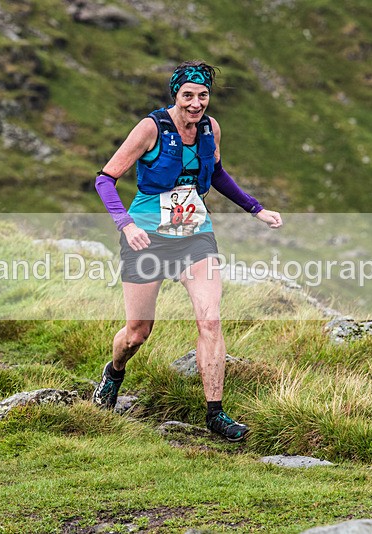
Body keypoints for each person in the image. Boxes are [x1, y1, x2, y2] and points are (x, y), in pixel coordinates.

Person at [92, 60, 282, 441]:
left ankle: (215, 413)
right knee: (137, 333)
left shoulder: (211, 129)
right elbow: (105, 179)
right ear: (175, 96)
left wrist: (256, 209)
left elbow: (218, 174)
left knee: (210, 320)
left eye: (203, 95)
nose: (196, 104)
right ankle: (113, 374)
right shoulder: (151, 128)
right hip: (147, 236)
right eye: (188, 96)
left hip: (196, 233)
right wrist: (126, 225)